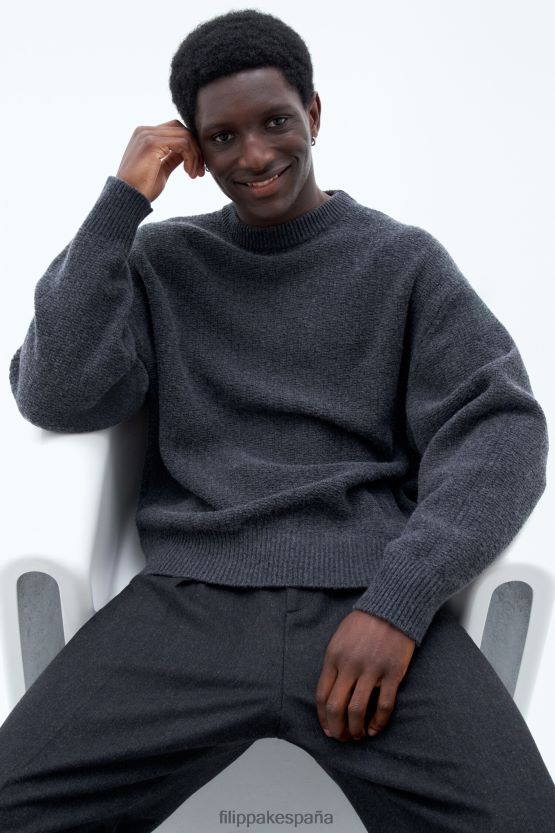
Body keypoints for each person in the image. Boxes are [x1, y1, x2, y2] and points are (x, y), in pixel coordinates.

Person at [2, 7, 554, 832]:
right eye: (222, 138)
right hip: (187, 602)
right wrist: (121, 204)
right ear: (194, 150)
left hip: (366, 601)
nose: (254, 155)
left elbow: (501, 429)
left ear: (313, 113)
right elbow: (56, 392)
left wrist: (398, 602)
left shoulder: (401, 261)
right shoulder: (164, 260)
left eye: (274, 122)